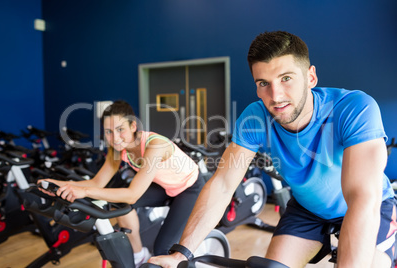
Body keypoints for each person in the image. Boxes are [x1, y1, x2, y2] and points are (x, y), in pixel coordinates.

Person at [149, 31, 396, 268]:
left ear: (311, 77)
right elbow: (223, 185)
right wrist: (182, 252)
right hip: (308, 209)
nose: (275, 96)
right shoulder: (254, 118)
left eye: (286, 78)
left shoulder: (354, 108)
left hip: (370, 204)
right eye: (263, 83)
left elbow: (363, 199)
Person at [39, 100, 204, 267]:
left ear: (133, 126)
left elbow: (132, 195)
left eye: (120, 130)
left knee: (163, 249)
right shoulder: (118, 149)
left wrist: (85, 192)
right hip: (164, 186)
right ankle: (139, 255)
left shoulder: (155, 145)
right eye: (109, 132)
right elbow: (97, 182)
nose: (115, 138)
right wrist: (57, 184)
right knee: (120, 205)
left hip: (189, 188)